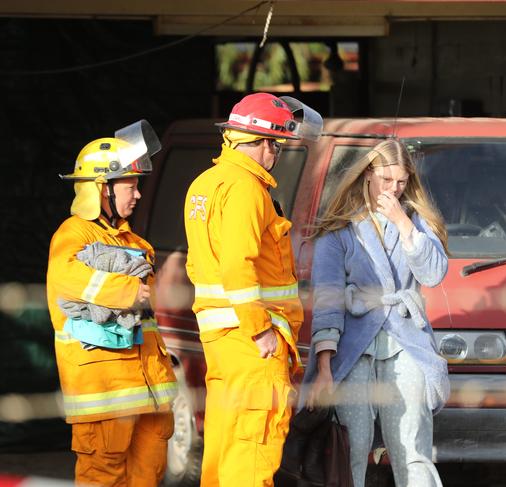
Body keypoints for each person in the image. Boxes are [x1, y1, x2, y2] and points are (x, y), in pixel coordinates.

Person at [183, 92, 323, 486]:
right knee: (254, 448)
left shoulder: (205, 183)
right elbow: (236, 264)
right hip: (251, 342)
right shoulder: (246, 188)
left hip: (223, 342)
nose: (276, 153)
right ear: (262, 142)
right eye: (276, 144)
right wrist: (260, 329)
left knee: (226, 447)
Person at [304, 139, 450, 487]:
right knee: (350, 446)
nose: (394, 189)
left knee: (411, 445)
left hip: (405, 342)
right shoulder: (340, 228)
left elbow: (432, 274)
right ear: (368, 173)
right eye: (386, 180)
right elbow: (327, 299)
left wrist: (403, 224)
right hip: (354, 347)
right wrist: (324, 368)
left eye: (401, 182)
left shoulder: (415, 221)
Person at [46, 121, 178, 486]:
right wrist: (127, 290)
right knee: (103, 473)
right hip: (102, 384)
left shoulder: (138, 243)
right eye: (130, 186)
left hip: (148, 384)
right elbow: (66, 279)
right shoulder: (72, 235)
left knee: (149, 472)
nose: (137, 195)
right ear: (102, 189)